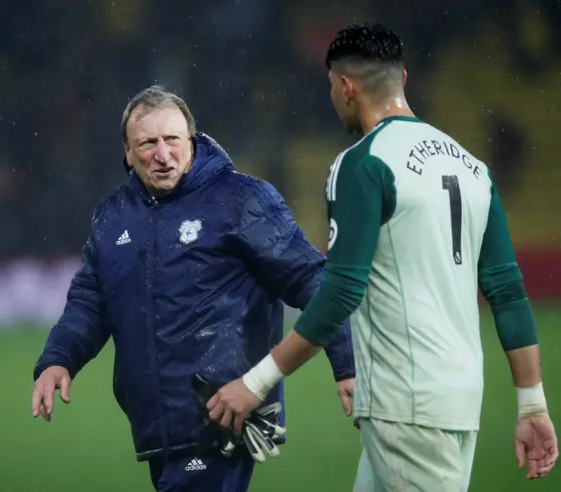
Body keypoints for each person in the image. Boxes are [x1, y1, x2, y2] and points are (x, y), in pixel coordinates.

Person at [206, 23, 558, 491]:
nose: (333, 98)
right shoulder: (472, 167)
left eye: (332, 87)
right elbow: (509, 291)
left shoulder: (364, 163)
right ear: (404, 79)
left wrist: (257, 381)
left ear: (346, 87)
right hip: (455, 398)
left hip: (406, 405)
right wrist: (532, 403)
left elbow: (340, 292)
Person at [31, 85, 356, 492]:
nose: (162, 154)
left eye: (172, 140)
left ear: (192, 140)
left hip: (222, 414)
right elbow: (91, 302)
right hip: (157, 424)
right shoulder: (113, 217)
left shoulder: (240, 200)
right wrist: (58, 359)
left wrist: (347, 363)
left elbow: (313, 280)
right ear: (128, 154)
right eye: (147, 143)